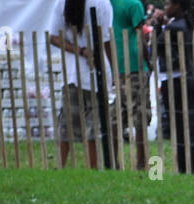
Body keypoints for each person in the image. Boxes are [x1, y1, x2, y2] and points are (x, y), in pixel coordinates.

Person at [48, 0, 116, 169]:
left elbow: (54, 38)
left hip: (72, 73)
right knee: (95, 126)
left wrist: (79, 50)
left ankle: (60, 166)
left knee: (68, 125)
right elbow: (106, 40)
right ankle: (92, 168)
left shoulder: (63, 2)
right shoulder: (102, 3)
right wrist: (115, 71)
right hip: (97, 72)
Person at [151, 0, 194, 172]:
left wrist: (157, 26)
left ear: (178, 6)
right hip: (187, 78)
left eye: (168, 4)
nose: (165, 8)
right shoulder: (187, 24)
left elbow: (156, 47)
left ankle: (184, 168)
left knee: (178, 127)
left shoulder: (174, 28)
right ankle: (188, 168)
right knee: (187, 125)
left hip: (175, 80)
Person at [111, 0, 148, 170]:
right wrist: (149, 62)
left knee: (116, 115)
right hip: (134, 65)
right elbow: (141, 37)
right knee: (140, 114)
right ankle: (141, 161)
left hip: (114, 63)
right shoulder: (134, 4)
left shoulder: (107, 3)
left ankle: (113, 161)